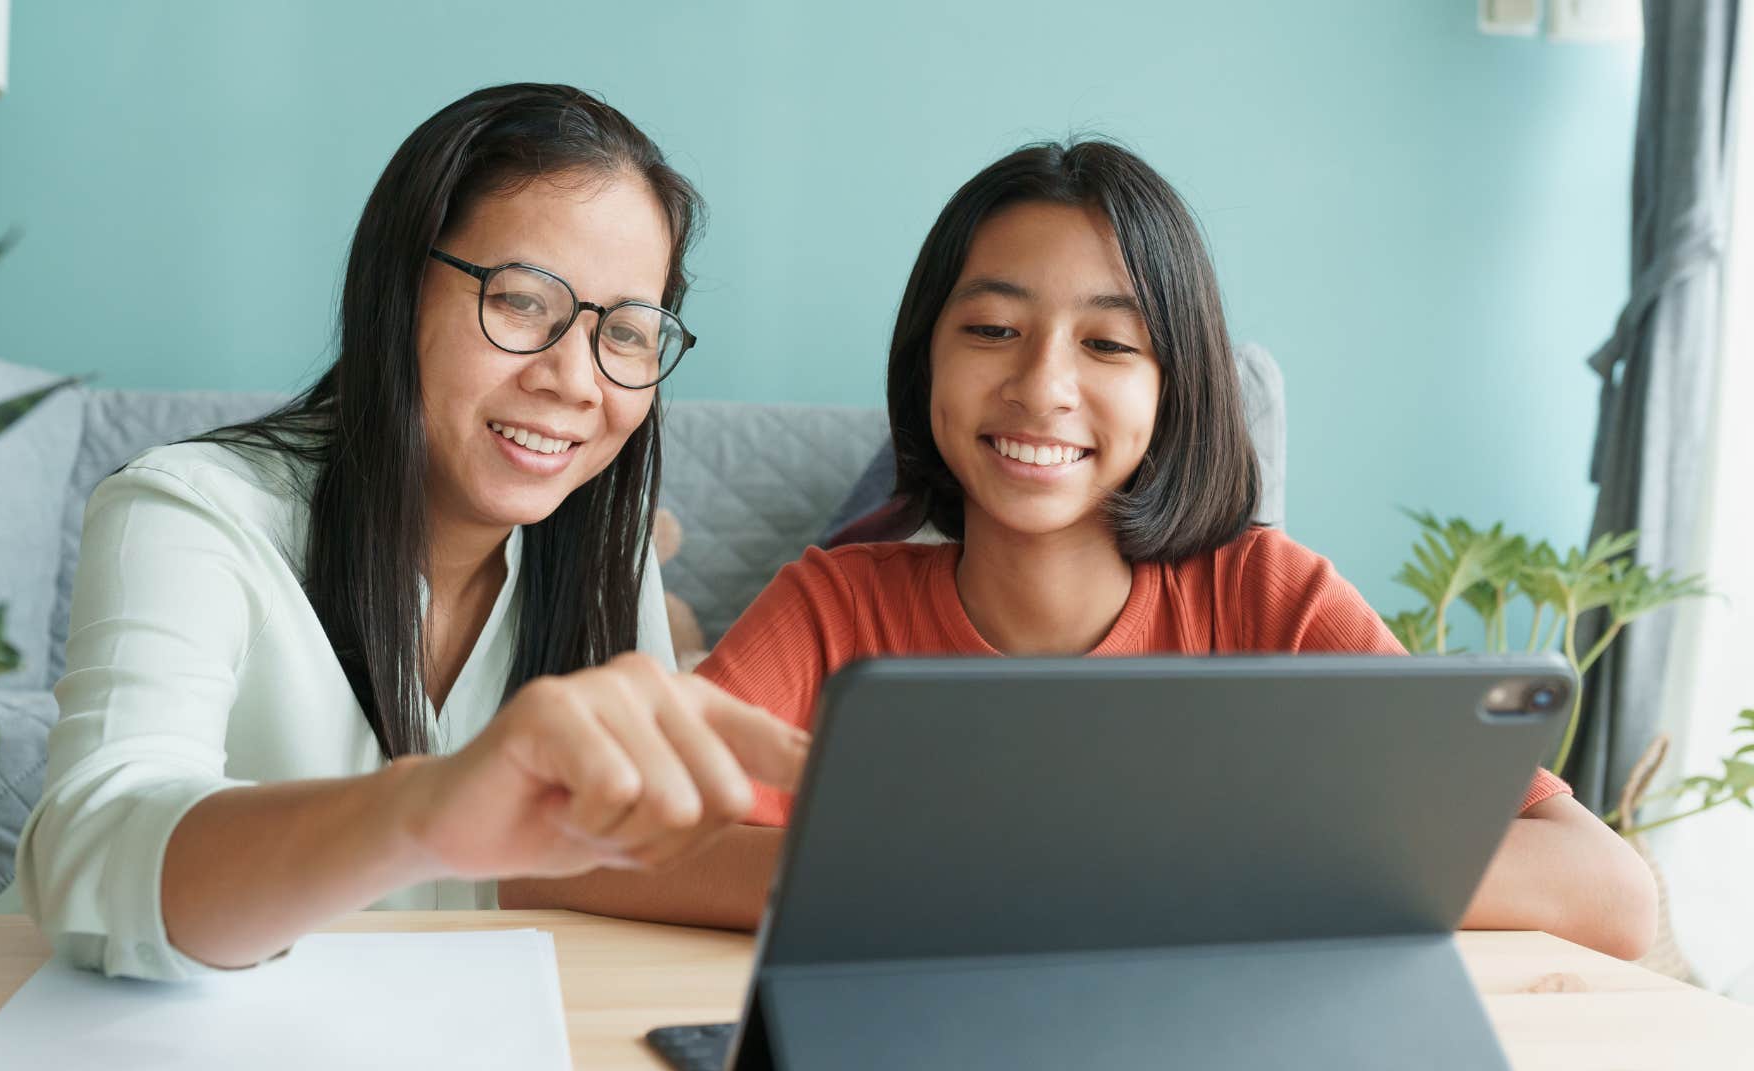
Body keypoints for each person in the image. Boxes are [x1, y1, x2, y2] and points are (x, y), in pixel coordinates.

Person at [505, 139, 1660, 960]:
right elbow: (561, 853)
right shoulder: (835, 607)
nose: (1043, 386)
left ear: (1178, 387)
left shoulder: (1268, 597)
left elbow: (1610, 889)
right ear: (926, 363)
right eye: (994, 330)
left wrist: (1202, 887)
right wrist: (930, 888)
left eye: (1110, 343)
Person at [16, 83, 805, 980]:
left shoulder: (604, 551)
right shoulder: (188, 511)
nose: (577, 380)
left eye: (626, 332)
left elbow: (619, 855)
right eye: (520, 301)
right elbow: (88, 863)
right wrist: (422, 811)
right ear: (395, 291)